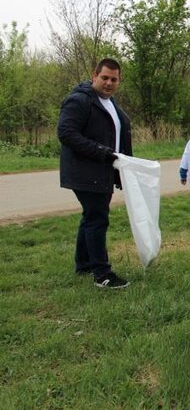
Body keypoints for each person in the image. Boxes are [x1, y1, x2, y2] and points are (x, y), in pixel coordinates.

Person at [58, 58, 132, 289]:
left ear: (119, 81)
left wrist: (119, 171)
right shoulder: (80, 101)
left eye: (114, 79)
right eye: (105, 78)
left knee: (91, 216)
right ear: (94, 76)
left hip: (104, 171)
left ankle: (84, 264)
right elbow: (66, 133)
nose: (109, 83)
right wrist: (102, 152)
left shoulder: (110, 102)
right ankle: (102, 274)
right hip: (86, 171)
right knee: (97, 218)